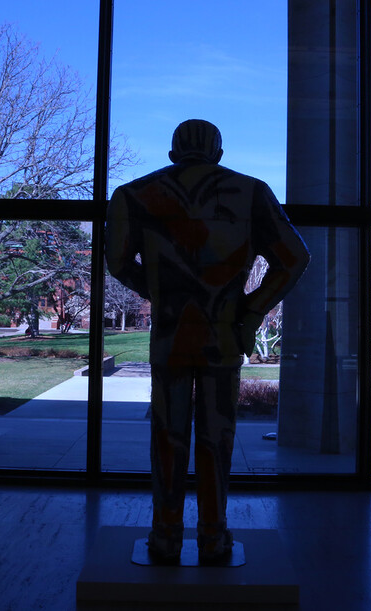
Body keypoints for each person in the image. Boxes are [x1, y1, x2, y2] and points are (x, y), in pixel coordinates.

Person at [106, 119, 310, 564]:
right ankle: (214, 537)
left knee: (166, 436)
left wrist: (158, 291)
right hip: (223, 335)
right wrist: (251, 309)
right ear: (219, 153)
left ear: (172, 152)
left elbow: (117, 262)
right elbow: (295, 259)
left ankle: (165, 536)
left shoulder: (132, 195)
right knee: (218, 438)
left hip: (170, 335)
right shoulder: (251, 192)